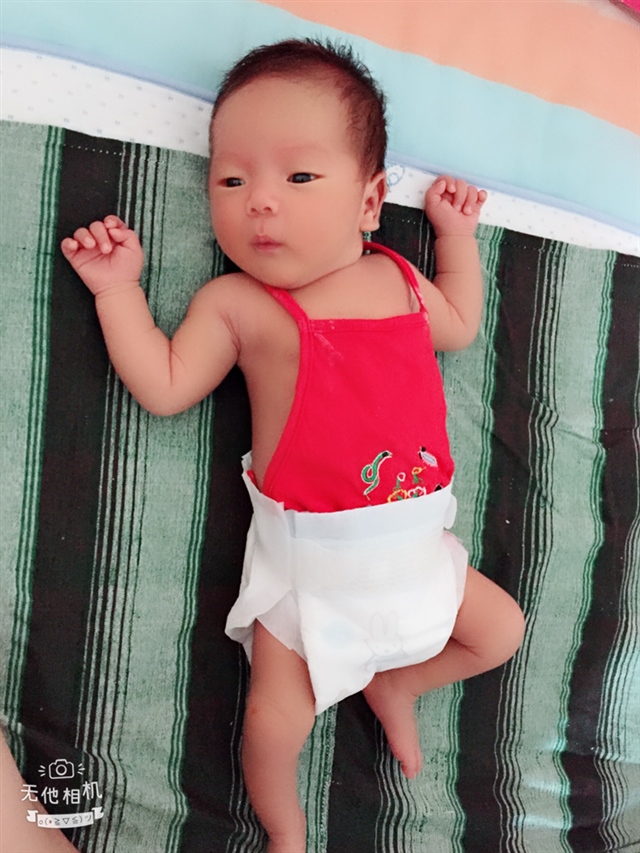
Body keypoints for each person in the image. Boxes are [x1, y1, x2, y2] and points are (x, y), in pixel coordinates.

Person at [61, 39, 525, 853]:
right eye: (231, 181)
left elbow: (460, 321)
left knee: (502, 632)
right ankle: (287, 827)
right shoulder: (237, 304)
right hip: (309, 576)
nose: (261, 203)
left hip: (422, 553)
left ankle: (397, 683)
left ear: (371, 202)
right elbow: (164, 385)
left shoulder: (398, 278)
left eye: (299, 176)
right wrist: (118, 291)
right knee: (275, 725)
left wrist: (455, 237)